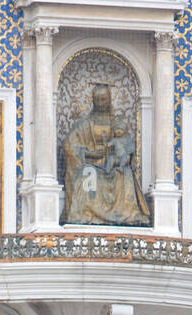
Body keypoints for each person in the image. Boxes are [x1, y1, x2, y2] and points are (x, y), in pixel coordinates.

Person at [62, 84, 150, 226]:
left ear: (109, 99)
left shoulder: (116, 122)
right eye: (98, 99)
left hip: (112, 162)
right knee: (87, 174)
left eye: (104, 99)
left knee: (125, 174)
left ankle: (127, 215)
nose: (101, 103)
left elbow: (126, 144)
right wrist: (87, 153)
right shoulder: (84, 124)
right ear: (93, 101)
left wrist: (122, 156)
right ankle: (86, 215)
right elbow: (69, 145)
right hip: (90, 164)